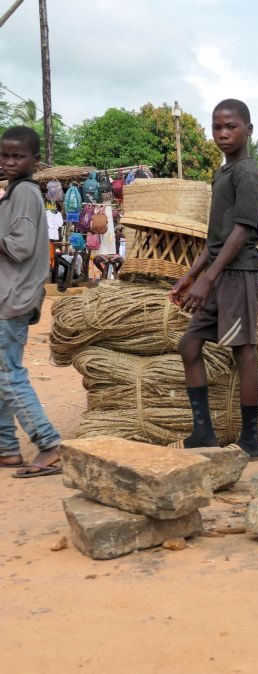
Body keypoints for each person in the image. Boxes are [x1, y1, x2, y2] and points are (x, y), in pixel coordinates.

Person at [170, 99, 258, 460]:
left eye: (231, 126)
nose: (223, 134)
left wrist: (207, 279)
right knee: (189, 346)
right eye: (217, 127)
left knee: (244, 351)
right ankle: (203, 433)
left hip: (238, 272)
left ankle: (251, 441)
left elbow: (243, 230)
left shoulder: (247, 174)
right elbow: (216, 238)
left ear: (249, 130)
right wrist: (191, 275)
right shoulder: (223, 172)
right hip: (216, 273)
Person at [0, 127, 65, 477]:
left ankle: (49, 443)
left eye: (17, 156)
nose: (10, 162)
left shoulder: (24, 193)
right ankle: (6, 448)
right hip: (11, 296)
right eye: (5, 155)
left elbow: (20, 246)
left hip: (12, 297)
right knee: (2, 373)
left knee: (9, 375)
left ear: (34, 161)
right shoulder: (16, 193)